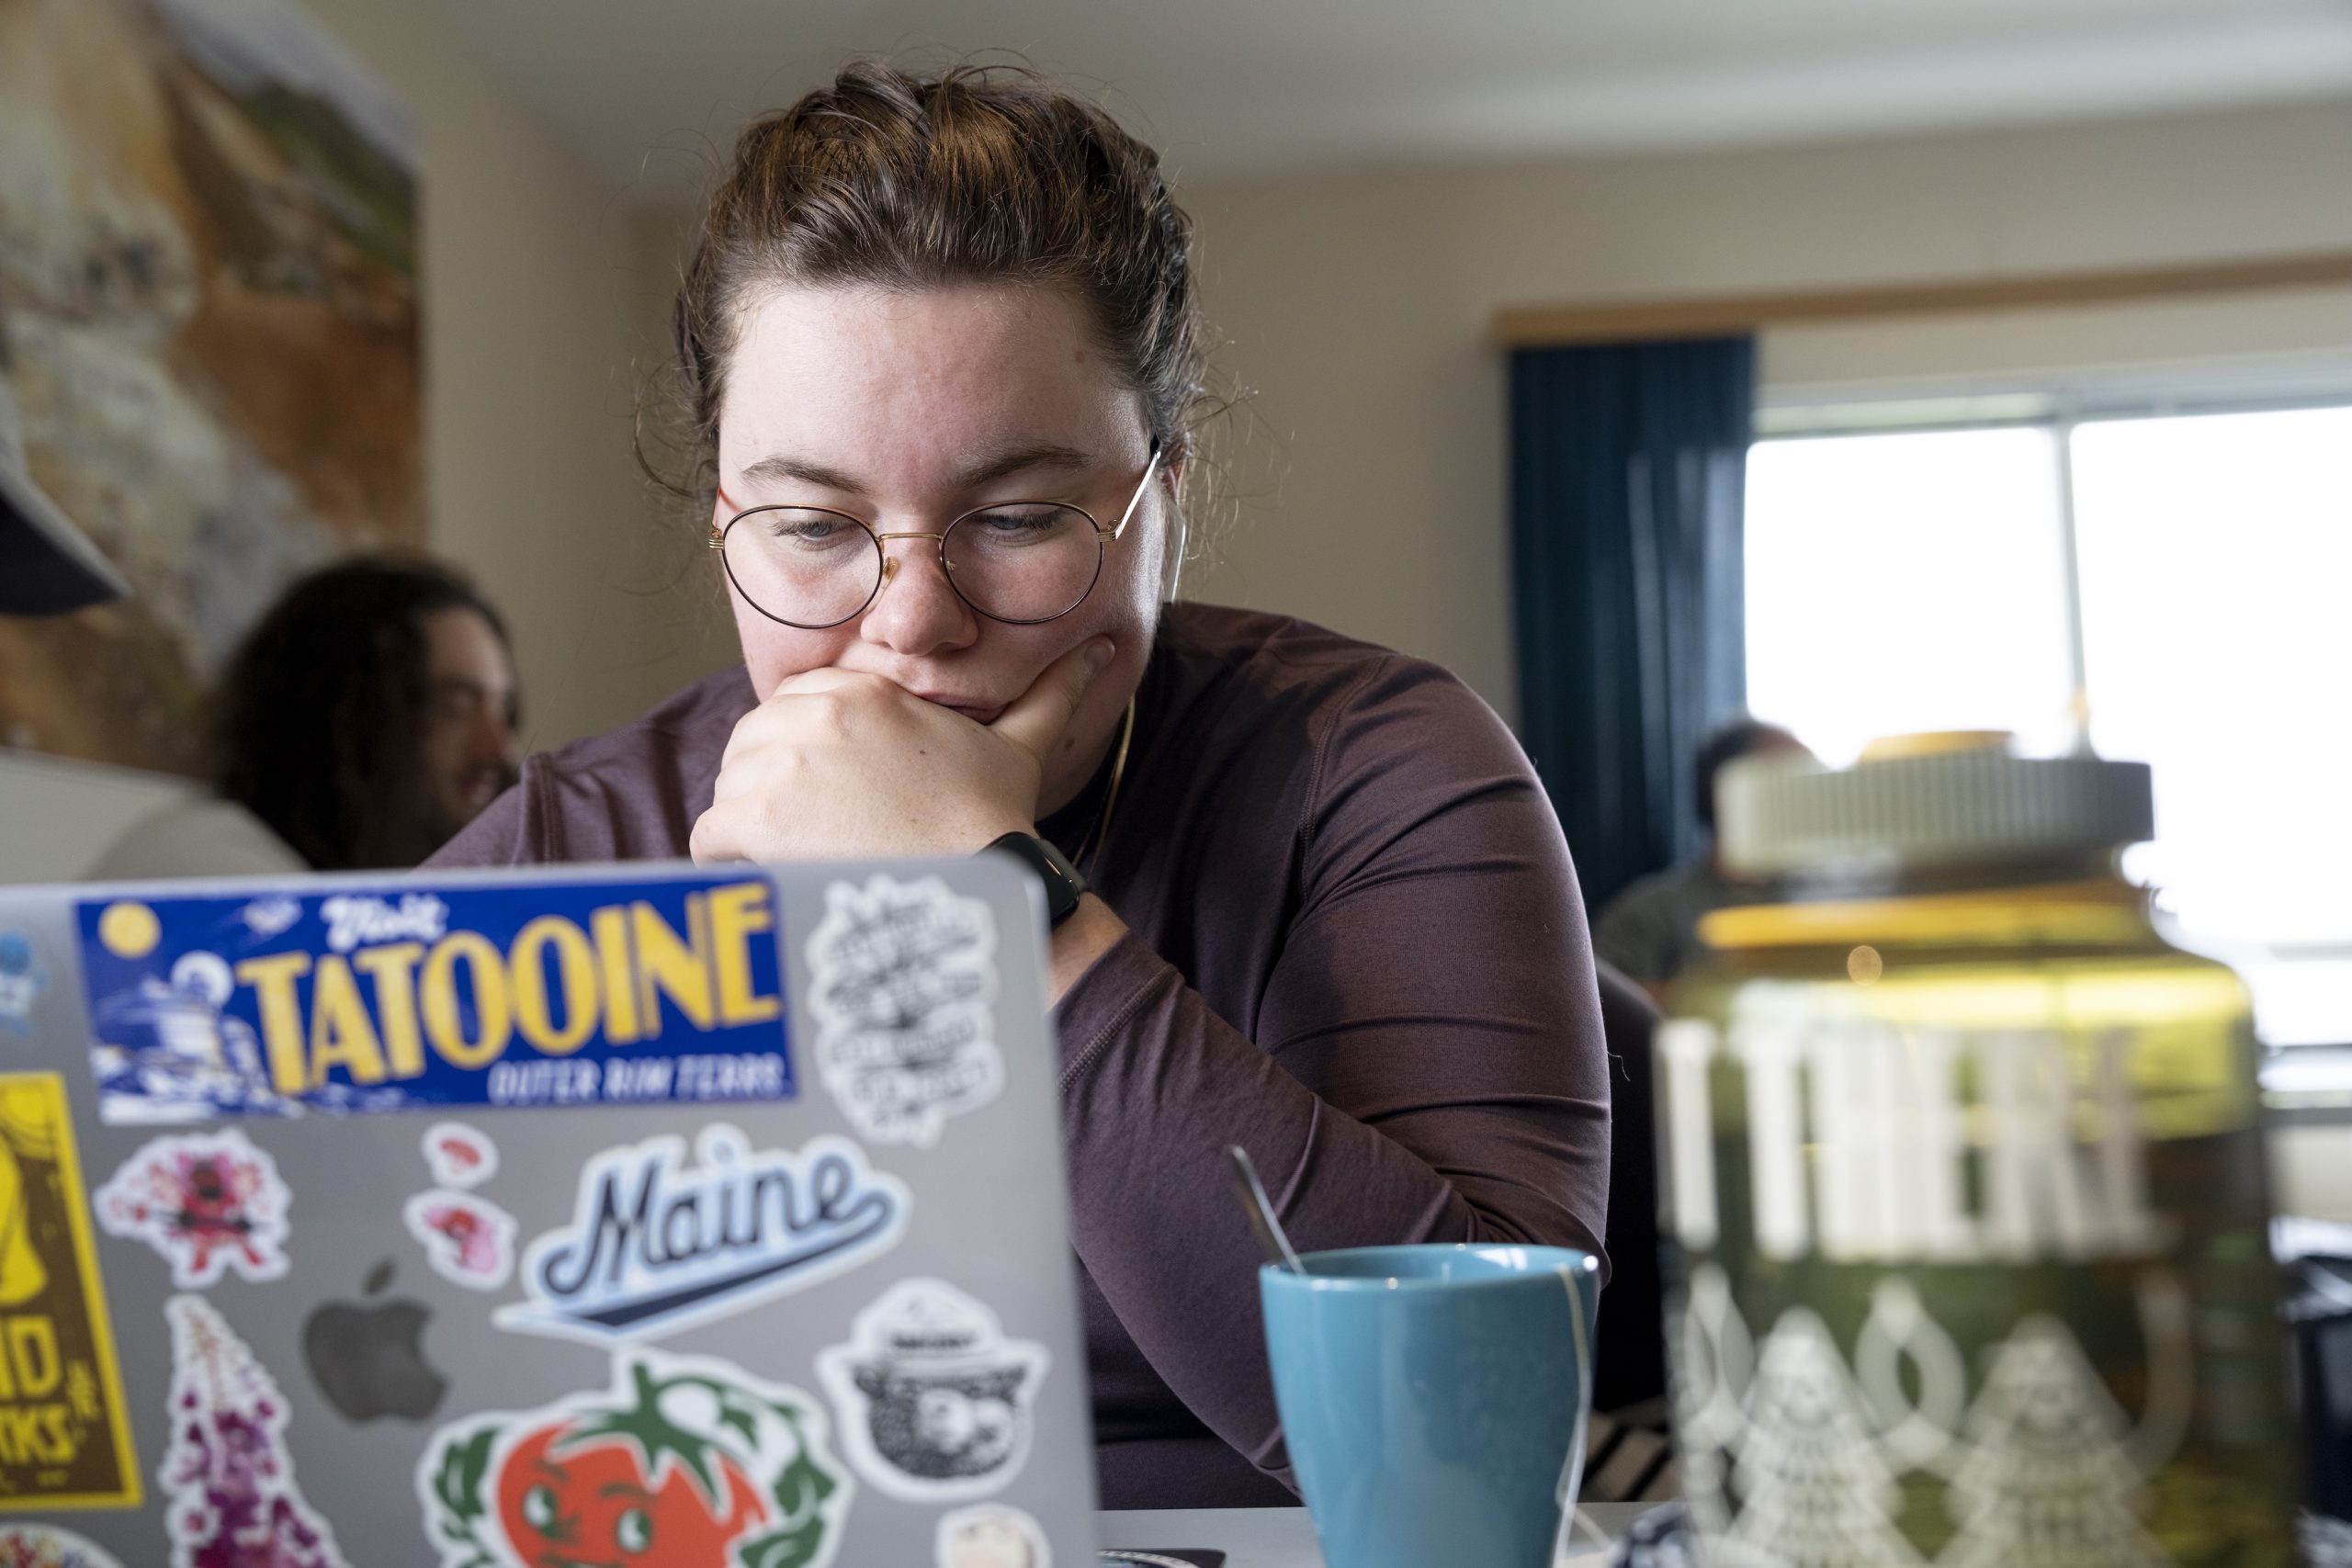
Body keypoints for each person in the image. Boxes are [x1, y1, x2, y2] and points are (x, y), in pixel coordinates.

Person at [429, 62, 1609, 1509]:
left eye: (1021, 517)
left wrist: (993, 908)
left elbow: (1479, 1449)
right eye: (813, 523)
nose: (913, 618)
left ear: (1162, 499)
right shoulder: (565, 848)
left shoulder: (1371, 769)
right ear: (725, 515)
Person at [93, 556, 522, 877]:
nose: (499, 749)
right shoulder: (209, 864)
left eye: (505, 710)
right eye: (455, 708)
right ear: (340, 720)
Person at [1589, 717, 1816, 992]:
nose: (1813, 796)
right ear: (1728, 791)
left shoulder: (1835, 907)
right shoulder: (1648, 914)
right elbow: (1595, 1011)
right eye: (1793, 779)